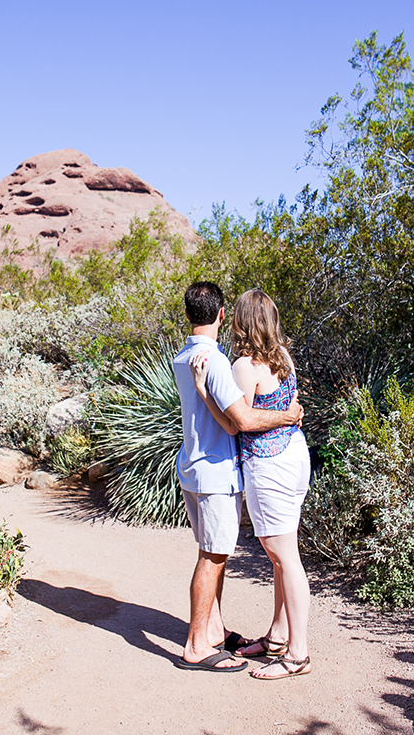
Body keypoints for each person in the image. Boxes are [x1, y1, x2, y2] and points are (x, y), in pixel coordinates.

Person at [173, 282, 303, 673]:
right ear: (221, 314)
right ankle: (198, 644)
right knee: (213, 556)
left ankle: (214, 629)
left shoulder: (183, 357)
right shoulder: (214, 361)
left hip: (194, 466)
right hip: (217, 472)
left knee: (212, 550)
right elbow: (240, 422)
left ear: (187, 315)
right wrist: (287, 416)